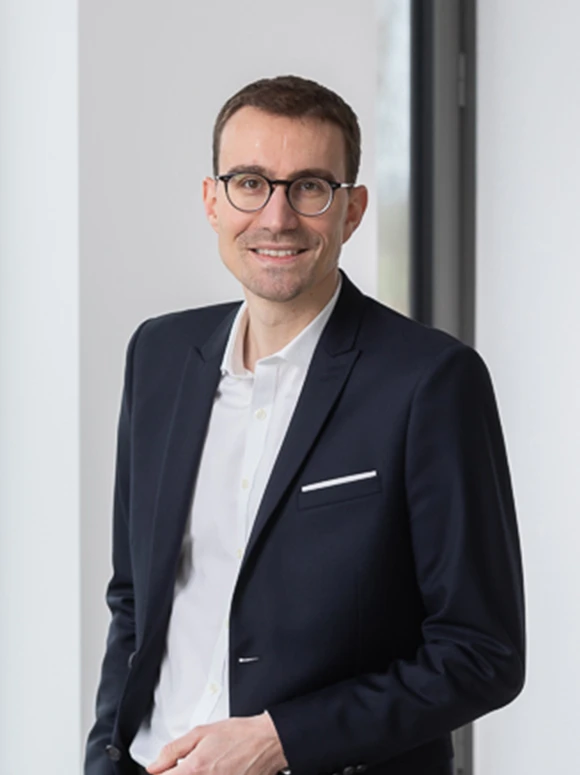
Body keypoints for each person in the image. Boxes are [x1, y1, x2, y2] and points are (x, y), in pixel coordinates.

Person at [85, 75, 525, 775]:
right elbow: (134, 597)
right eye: (251, 183)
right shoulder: (159, 355)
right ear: (213, 201)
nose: (278, 217)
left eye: (311, 187)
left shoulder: (431, 381)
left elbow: (482, 653)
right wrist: (106, 753)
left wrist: (280, 738)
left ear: (351, 211)